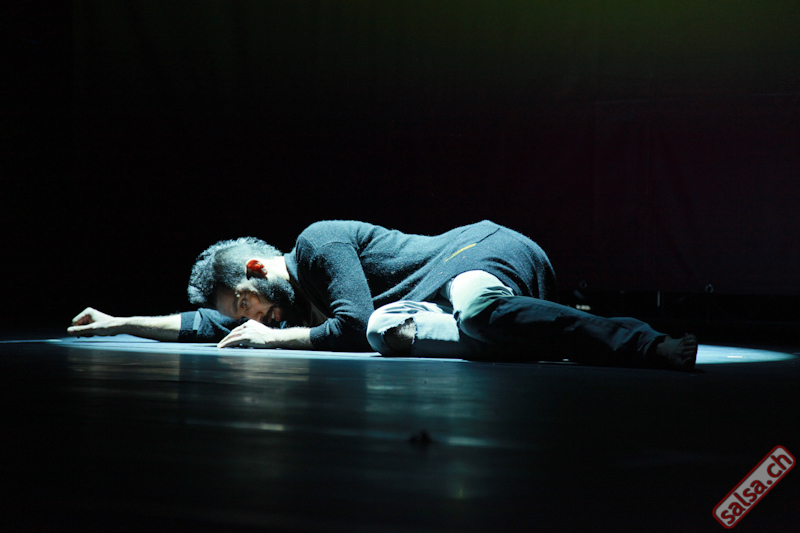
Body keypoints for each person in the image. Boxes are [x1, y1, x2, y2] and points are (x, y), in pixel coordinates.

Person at [69, 220, 697, 370]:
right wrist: (117, 321)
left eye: (244, 304)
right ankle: (536, 333)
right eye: (243, 315)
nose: (252, 319)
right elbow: (204, 325)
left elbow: (348, 323)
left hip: (476, 255)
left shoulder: (317, 243)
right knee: (387, 334)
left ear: (258, 271)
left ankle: (647, 344)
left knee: (474, 309)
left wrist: (273, 339)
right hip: (423, 306)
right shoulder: (288, 304)